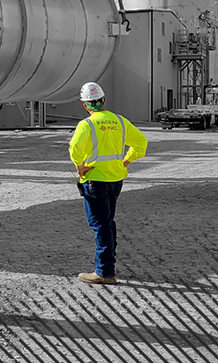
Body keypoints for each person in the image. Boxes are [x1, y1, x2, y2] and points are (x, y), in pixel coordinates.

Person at [69, 82, 147, 285]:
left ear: (86, 106)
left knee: (100, 225)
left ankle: (105, 272)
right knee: (108, 223)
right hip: (115, 179)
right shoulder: (120, 121)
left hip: (95, 181)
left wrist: (80, 166)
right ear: (103, 100)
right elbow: (141, 143)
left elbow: (75, 149)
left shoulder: (87, 124)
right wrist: (127, 160)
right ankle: (107, 267)